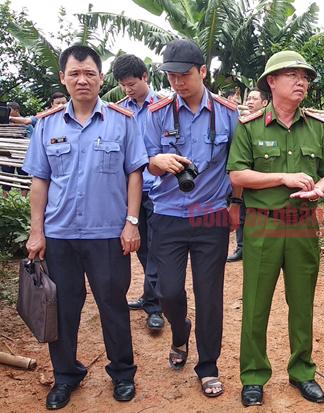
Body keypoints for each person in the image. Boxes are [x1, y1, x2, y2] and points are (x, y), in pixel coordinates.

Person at [23, 44, 146, 410]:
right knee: (63, 309)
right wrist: (36, 231)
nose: (82, 80)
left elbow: (134, 175)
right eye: (74, 73)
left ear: (101, 78)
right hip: (60, 236)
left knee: (113, 305)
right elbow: (40, 182)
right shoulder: (46, 126)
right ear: (63, 77)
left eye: (89, 73)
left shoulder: (122, 121)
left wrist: (132, 223)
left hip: (108, 234)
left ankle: (123, 373)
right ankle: (66, 375)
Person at [228, 50, 324, 407]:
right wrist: (282, 176)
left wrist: (320, 189)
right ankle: (253, 375)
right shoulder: (249, 127)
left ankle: (303, 372)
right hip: (263, 227)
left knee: (301, 303)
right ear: (272, 82)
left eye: (305, 77)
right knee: (256, 305)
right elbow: (237, 175)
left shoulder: (317, 128)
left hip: (302, 227)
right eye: (292, 75)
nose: (301, 82)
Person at [144, 38, 239, 398]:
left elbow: (236, 165)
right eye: (170, 77)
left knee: (209, 294)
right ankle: (180, 331)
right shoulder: (157, 114)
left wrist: (233, 205)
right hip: (167, 215)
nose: (178, 83)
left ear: (202, 72)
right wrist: (158, 162)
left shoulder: (229, 114)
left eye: (184, 75)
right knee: (167, 290)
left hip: (210, 216)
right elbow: (145, 159)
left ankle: (208, 365)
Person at [112, 54, 166, 332]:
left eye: (132, 83)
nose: (128, 89)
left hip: (159, 190)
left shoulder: (165, 107)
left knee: (156, 249)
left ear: (145, 76)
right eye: (123, 85)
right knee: (142, 249)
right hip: (132, 192)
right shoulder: (121, 111)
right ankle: (151, 295)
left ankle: (155, 307)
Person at [227, 89, 269, 263]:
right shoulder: (240, 123)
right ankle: (241, 247)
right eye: (248, 98)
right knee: (240, 211)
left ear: (265, 103)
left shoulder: (268, 125)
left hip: (262, 179)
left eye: (254, 98)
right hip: (242, 177)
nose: (250, 102)